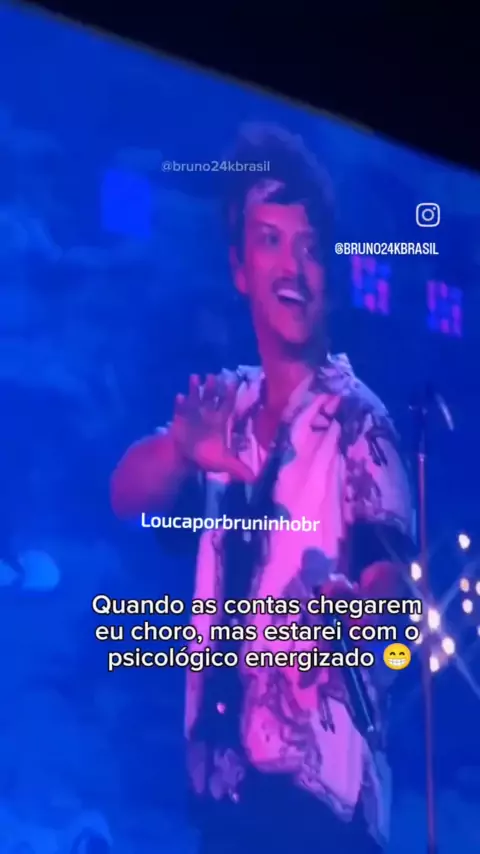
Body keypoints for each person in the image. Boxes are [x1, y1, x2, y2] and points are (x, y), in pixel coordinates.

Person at [110, 124, 414, 854]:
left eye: (308, 246)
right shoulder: (226, 408)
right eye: (270, 241)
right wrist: (180, 451)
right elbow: (125, 494)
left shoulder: (359, 422)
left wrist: (359, 609)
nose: (292, 266)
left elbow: (392, 582)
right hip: (223, 793)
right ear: (240, 267)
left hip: (319, 811)